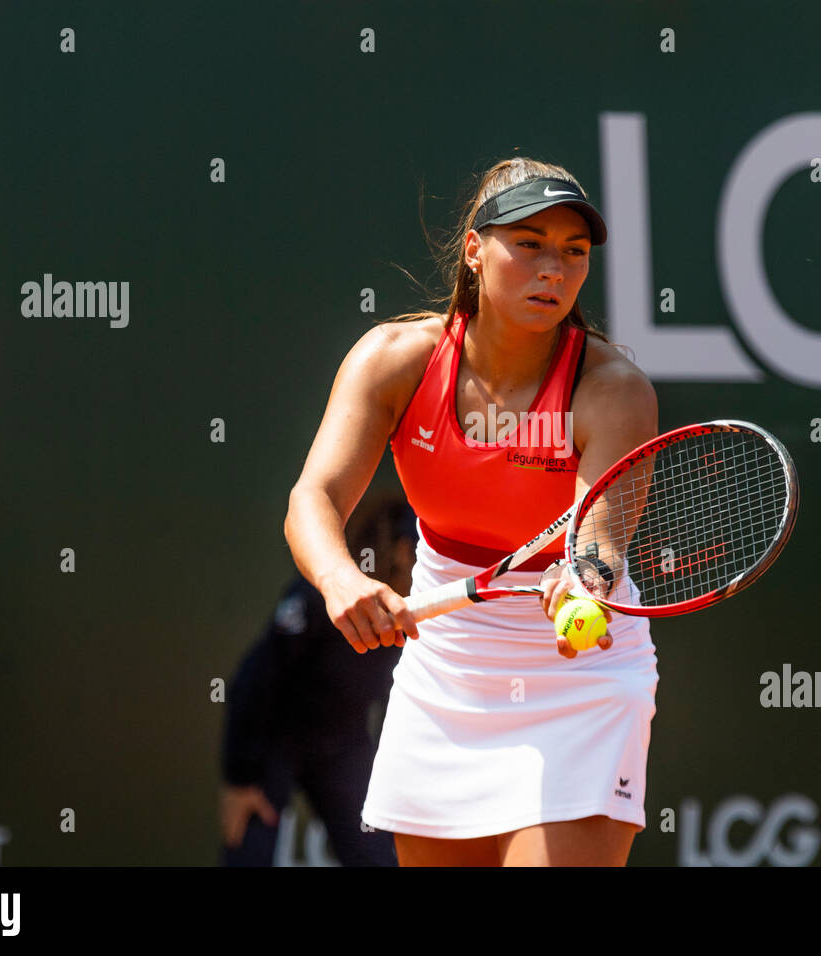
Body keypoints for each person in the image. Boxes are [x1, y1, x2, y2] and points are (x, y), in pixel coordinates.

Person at [283, 158, 660, 866]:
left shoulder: (612, 391)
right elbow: (314, 498)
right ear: (474, 250)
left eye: (574, 252)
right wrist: (341, 580)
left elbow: (600, 539)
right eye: (530, 244)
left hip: (576, 680)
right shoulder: (393, 361)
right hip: (445, 669)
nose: (555, 268)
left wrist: (587, 584)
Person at [220, 490, 417, 866]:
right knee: (250, 852)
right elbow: (255, 677)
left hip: (343, 743)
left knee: (377, 855)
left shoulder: (413, 609)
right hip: (275, 741)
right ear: (403, 551)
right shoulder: (328, 597)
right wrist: (239, 779)